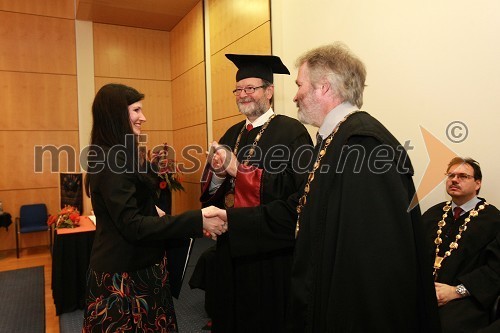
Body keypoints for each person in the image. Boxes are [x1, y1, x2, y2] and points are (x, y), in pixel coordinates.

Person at [209, 43, 441, 332]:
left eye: (299, 85)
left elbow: (375, 264)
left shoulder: (363, 146)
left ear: (325, 87)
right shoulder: (335, 140)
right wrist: (233, 219)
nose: (294, 95)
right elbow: (303, 208)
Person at [82, 83, 226, 332]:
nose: (143, 118)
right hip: (123, 280)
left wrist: (156, 212)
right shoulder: (111, 160)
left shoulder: (123, 154)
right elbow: (133, 226)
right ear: (116, 113)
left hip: (142, 268)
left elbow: (138, 207)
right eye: (136, 110)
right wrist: (197, 219)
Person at [191, 54, 313, 332]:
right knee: (228, 312)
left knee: (263, 318)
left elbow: (298, 192)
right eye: (239, 89)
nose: (243, 95)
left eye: (251, 88)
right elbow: (212, 188)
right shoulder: (231, 132)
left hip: (269, 250)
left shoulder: (292, 132)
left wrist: (238, 171)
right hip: (230, 242)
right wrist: (218, 176)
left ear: (269, 91)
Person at [422, 157, 500, 333]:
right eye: (451, 175)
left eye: (463, 176)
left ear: (477, 184)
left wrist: (456, 291)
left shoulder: (494, 220)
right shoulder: (432, 214)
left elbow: (496, 269)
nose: (455, 180)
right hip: (425, 293)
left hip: (466, 299)